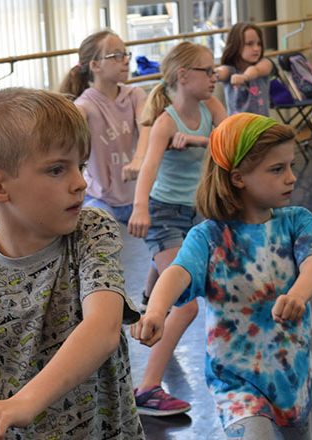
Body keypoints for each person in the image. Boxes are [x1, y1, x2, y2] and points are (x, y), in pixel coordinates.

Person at [0, 88, 144, 440]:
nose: (80, 182)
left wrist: (24, 403)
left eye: (79, 166)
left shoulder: (91, 232)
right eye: (57, 170)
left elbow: (103, 329)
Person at [131, 113, 312, 439]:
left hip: (291, 377)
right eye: (277, 169)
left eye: (291, 166)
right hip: (235, 380)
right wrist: (156, 310)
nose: (292, 177)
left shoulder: (298, 222)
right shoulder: (209, 236)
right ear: (238, 178)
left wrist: (298, 294)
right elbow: (177, 272)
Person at [127, 41, 228, 416]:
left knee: (169, 280)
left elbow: (229, 141)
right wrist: (140, 209)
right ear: (184, 76)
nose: (215, 77)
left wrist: (201, 140)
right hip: (165, 211)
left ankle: (150, 299)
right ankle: (148, 388)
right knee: (184, 306)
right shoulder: (165, 121)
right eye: (207, 71)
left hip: (199, 211)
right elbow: (148, 168)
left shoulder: (210, 109)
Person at [60, 30, 148, 224]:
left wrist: (139, 160)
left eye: (125, 54)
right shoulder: (85, 105)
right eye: (116, 55)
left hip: (137, 196)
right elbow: (68, 127)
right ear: (95, 65)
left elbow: (146, 128)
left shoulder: (135, 95)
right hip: (100, 199)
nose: (125, 60)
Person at [215, 22, 275, 116]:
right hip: (238, 127)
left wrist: (245, 77)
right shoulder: (231, 70)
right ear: (236, 45)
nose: (256, 48)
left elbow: (256, 70)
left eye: (259, 44)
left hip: (261, 126)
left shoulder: (264, 64)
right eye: (249, 44)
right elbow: (222, 71)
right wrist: (213, 74)